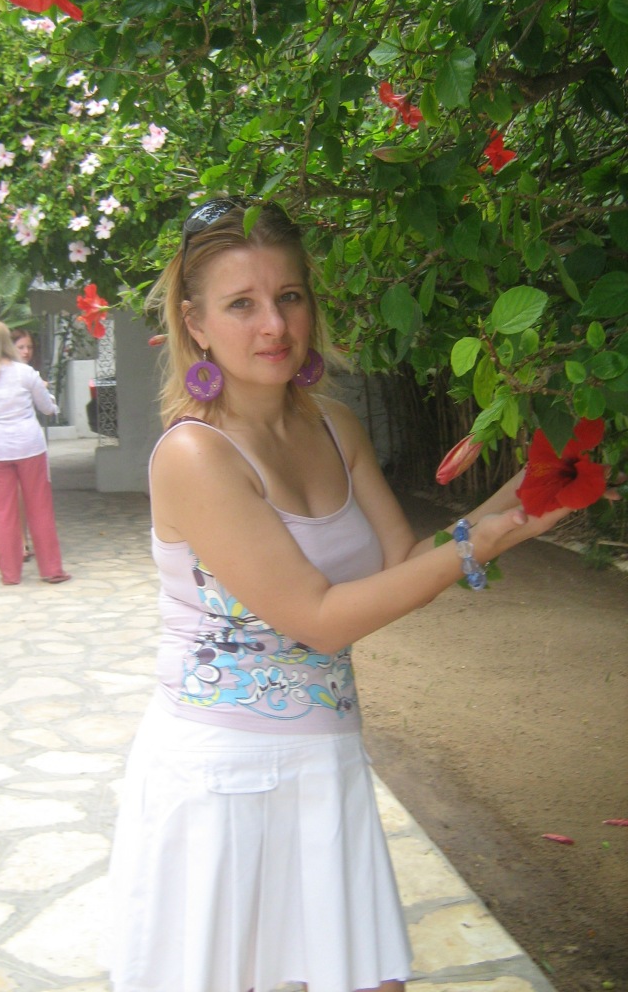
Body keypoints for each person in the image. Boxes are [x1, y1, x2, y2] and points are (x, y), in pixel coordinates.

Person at [102, 199, 577, 992]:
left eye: (288, 296)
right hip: (223, 780)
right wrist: (479, 545)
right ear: (196, 323)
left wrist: (528, 496)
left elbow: (402, 564)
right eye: (241, 304)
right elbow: (318, 620)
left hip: (327, 761)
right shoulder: (195, 455)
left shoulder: (333, 425)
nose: (274, 326)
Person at [0, 321, 71, 585]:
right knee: (40, 508)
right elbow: (47, 408)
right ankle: (52, 569)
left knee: (4, 513)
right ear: (7, 341)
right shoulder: (25, 373)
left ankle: (10, 573)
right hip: (29, 446)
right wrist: (51, 401)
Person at [11, 327, 40, 561]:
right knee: (15, 495)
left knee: (22, 495)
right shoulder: (4, 373)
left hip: (24, 443)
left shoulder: (28, 373)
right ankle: (19, 541)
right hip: (10, 444)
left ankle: (22, 540)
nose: (26, 351)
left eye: (29, 347)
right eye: (21, 347)